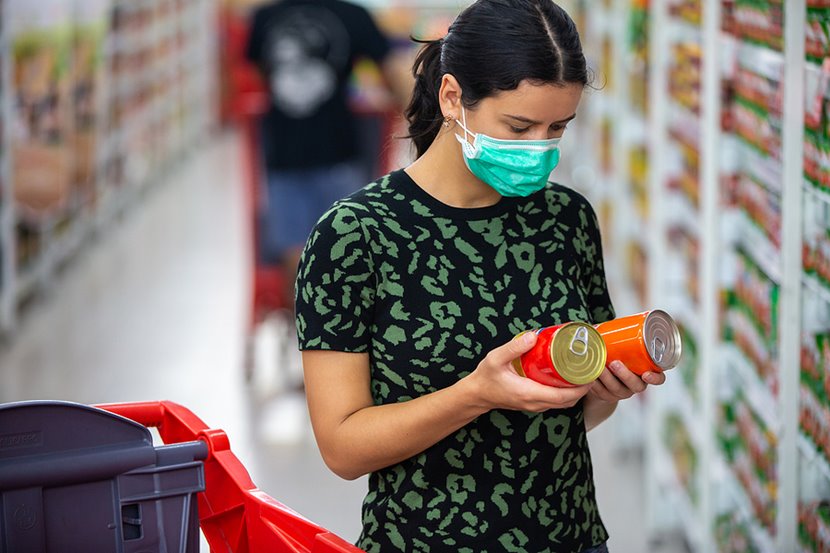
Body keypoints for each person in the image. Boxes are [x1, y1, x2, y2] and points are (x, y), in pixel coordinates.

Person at [294, 1, 669, 551]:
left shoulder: (565, 218)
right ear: (452, 99)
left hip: (570, 536)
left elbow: (570, 414)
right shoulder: (356, 235)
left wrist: (607, 387)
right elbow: (343, 449)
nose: (539, 147)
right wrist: (475, 394)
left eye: (557, 128)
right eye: (519, 126)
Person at [245, 0, 406, 304]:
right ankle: (337, 334)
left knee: (299, 251)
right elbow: (393, 70)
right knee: (345, 251)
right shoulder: (352, 16)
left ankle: (307, 336)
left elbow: (257, 73)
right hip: (333, 155)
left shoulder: (266, 18)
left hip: (293, 155)